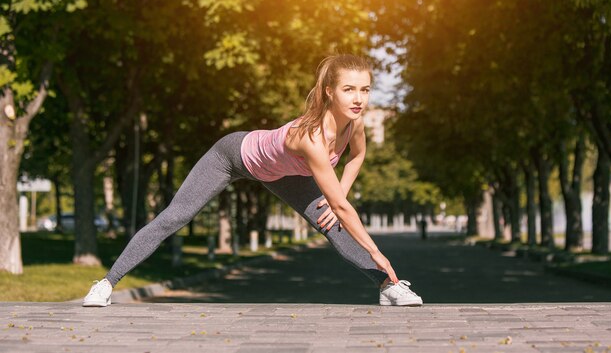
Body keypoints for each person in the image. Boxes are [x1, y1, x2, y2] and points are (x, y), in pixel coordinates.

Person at [83, 54, 423, 307]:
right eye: (349, 89)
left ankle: (387, 287)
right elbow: (341, 205)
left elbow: (357, 158)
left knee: (330, 222)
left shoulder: (355, 123)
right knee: (176, 216)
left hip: (283, 173)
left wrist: (342, 193)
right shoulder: (312, 136)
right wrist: (376, 250)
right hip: (232, 156)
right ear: (330, 91)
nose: (359, 98)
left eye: (365, 89)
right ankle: (106, 284)